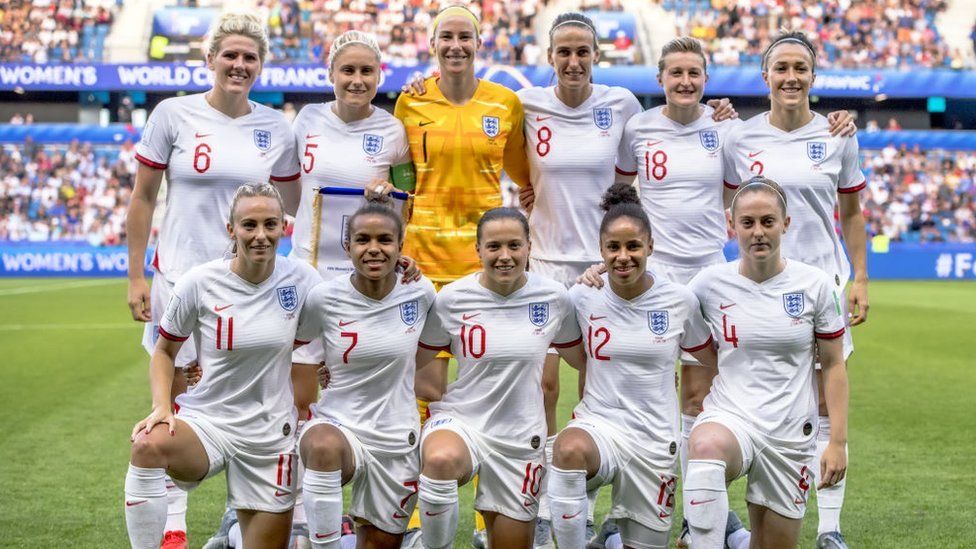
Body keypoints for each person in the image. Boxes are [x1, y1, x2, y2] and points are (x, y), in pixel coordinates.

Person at [125, 12, 299, 548]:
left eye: (250, 57)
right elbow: (143, 198)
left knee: (247, 394)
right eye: (230, 55)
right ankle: (173, 525)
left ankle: (236, 517)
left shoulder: (276, 128)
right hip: (179, 279)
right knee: (176, 403)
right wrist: (136, 275)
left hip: (249, 286)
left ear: (261, 65)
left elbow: (295, 204)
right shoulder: (173, 114)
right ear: (210, 59)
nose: (239, 65)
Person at [723, 31, 867, 549]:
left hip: (822, 285)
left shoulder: (838, 134)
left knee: (827, 403)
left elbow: (851, 213)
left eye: (799, 68)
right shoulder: (738, 137)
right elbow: (725, 208)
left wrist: (861, 278)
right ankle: (733, 516)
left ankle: (829, 528)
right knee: (757, 399)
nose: (790, 77)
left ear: (812, 76)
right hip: (758, 290)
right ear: (765, 76)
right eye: (780, 68)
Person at [394, 6, 531, 545]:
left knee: (486, 389)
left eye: (464, 36)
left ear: (479, 42)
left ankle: (485, 516)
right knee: (420, 390)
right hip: (422, 265)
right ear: (432, 44)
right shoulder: (410, 101)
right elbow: (403, 178)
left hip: (484, 271)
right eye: (446, 37)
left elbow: (525, 177)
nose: (456, 45)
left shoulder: (505, 103)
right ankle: (416, 512)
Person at [123, 183, 321, 549]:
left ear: (283, 227)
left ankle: (232, 536)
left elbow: (348, 305)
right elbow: (164, 351)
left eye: (270, 224)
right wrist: (162, 406)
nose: (260, 235)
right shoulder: (199, 283)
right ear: (231, 229)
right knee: (147, 445)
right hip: (209, 423)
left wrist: (400, 270)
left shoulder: (304, 280)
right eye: (249, 225)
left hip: (270, 437)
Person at [548, 183, 716, 549]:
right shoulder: (582, 296)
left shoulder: (679, 301)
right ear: (601, 250)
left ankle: (611, 536)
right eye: (613, 247)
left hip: (654, 441)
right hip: (601, 426)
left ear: (650, 246)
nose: (623, 256)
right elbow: (576, 358)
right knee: (568, 449)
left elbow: (711, 361)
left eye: (633, 246)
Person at [683, 178, 849, 549]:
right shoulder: (707, 284)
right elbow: (650, 299)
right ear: (732, 225)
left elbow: (833, 365)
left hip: (789, 434)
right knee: (706, 448)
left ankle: (737, 538)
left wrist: (837, 442)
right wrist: (600, 275)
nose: (758, 232)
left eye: (767, 221)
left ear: (785, 224)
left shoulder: (815, 285)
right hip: (731, 417)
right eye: (748, 222)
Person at [414, 208, 585, 549]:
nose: (504, 256)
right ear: (478, 250)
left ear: (529, 247)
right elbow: (410, 358)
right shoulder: (451, 299)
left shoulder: (554, 297)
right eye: (493, 246)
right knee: (439, 460)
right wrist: (337, 368)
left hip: (520, 439)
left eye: (514, 245)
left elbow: (584, 359)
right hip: (462, 422)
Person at [294, 197, 436, 549]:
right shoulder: (324, 297)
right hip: (339, 425)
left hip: (396, 437)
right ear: (347, 246)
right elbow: (287, 346)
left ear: (401, 246)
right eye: (363, 240)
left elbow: (429, 351)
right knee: (321, 446)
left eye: (384, 240)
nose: (373, 248)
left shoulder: (421, 292)